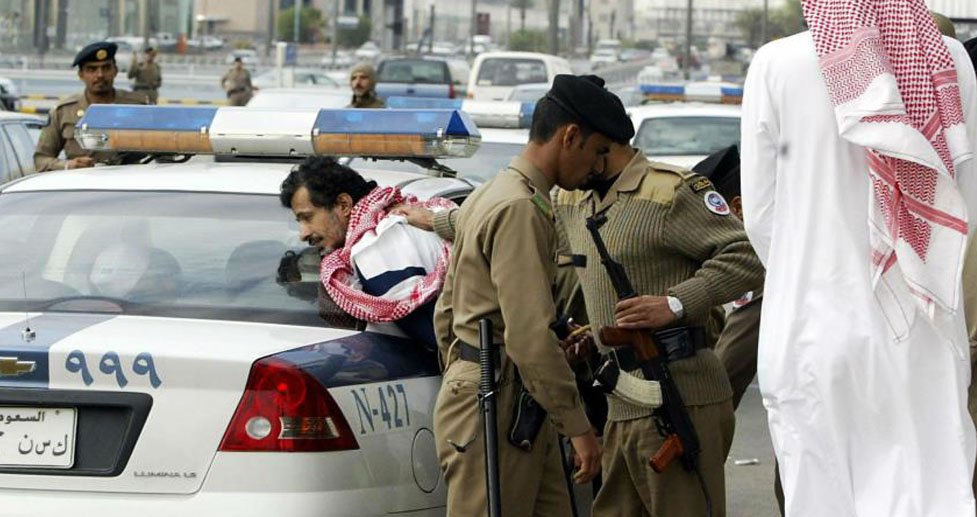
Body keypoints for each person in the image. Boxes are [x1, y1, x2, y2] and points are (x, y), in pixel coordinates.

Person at [740, 0, 977, 515]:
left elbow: (759, 214)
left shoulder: (776, 63)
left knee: (820, 496)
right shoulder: (949, 58)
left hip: (811, 325)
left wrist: (805, 271)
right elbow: (962, 202)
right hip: (924, 322)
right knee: (929, 492)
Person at [432, 74, 627, 515]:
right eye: (598, 151)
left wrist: (462, 370)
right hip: (496, 397)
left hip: (512, 395)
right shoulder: (519, 207)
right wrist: (578, 427)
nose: (598, 167)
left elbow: (447, 311)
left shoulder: (499, 192)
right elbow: (529, 337)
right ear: (569, 136)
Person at [554, 134, 764, 515]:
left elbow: (748, 256)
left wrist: (675, 303)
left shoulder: (669, 192)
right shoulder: (574, 201)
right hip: (621, 401)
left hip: (680, 392)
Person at [279, 156, 454, 349]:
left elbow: (443, 341)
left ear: (343, 205)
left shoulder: (374, 249)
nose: (303, 234)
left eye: (307, 217)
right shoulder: (394, 223)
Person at [33, 41, 147, 172]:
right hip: (82, 183)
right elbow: (41, 160)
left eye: (106, 68)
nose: (100, 75)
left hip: (129, 181)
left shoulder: (138, 107)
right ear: (81, 75)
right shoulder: (64, 111)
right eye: (92, 69)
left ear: (115, 71)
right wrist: (68, 165)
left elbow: (161, 153)